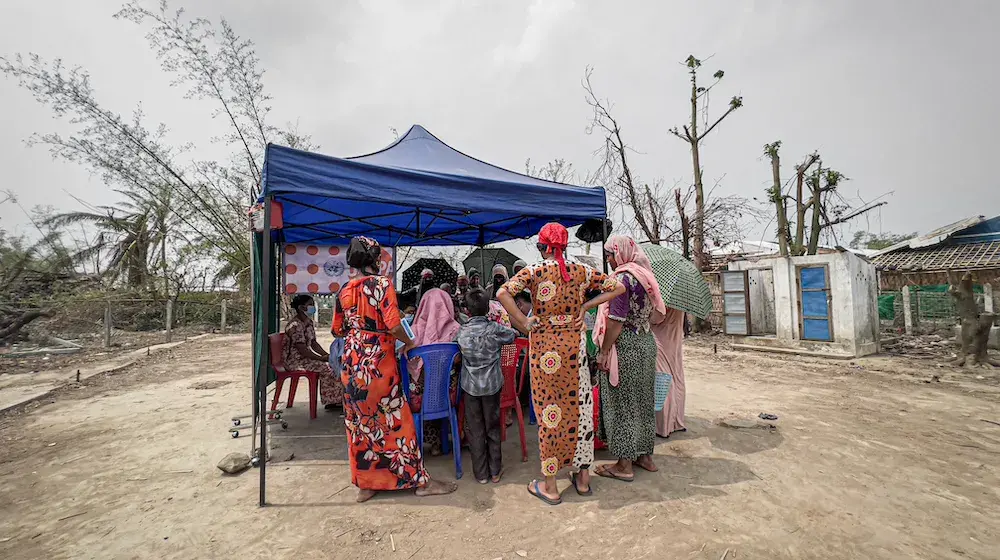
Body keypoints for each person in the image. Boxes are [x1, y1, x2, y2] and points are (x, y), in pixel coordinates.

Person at [498, 222, 624, 505]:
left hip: (545, 352)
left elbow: (502, 293)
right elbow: (616, 287)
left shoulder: (534, 271)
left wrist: (523, 322)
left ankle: (551, 485)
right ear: (565, 246)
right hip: (574, 349)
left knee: (549, 413)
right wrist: (585, 306)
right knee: (580, 408)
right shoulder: (581, 271)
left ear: (543, 246)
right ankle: (582, 479)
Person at [332, 236, 456, 503]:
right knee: (397, 420)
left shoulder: (343, 289)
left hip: (351, 363)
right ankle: (420, 482)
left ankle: (366, 485)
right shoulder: (382, 284)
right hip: (378, 362)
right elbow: (392, 324)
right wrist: (409, 341)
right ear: (375, 259)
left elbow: (337, 330)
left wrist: (360, 326)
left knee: (359, 423)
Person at [593, 235, 665, 481]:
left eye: (610, 255)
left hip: (625, 346)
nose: (609, 260)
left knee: (623, 403)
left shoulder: (621, 280)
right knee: (643, 400)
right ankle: (644, 455)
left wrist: (603, 351)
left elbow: (615, 321)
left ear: (620, 253)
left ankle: (624, 465)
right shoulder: (645, 276)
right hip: (645, 342)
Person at [456, 289, 518, 484]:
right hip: (492, 385)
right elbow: (513, 334)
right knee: (493, 426)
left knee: (475, 429)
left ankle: (480, 474)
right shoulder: (495, 329)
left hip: (470, 386)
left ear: (467, 310)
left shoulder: (461, 331)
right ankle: (495, 471)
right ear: (488, 309)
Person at [407, 288, 462, 455]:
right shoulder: (456, 329)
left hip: (421, 398)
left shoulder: (411, 332)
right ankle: (454, 436)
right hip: (448, 396)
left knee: (418, 386)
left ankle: (432, 441)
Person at [283, 294, 343, 409]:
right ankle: (331, 401)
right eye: (309, 305)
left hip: (305, 359)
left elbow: (314, 343)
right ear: (301, 308)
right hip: (296, 361)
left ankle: (336, 398)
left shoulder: (308, 322)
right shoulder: (295, 325)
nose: (312, 307)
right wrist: (321, 358)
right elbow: (302, 350)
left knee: (334, 364)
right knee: (328, 368)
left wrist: (325, 355)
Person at [653, 307, 687, 437]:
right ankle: (677, 421)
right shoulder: (681, 296)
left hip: (661, 339)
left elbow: (657, 318)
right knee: (677, 377)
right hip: (675, 338)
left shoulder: (664, 295)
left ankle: (664, 425)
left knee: (663, 379)